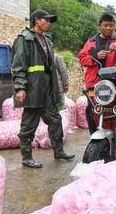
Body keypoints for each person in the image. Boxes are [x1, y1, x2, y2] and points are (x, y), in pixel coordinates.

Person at [12, 9, 75, 168]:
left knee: (55, 119)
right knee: (29, 124)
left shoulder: (47, 40)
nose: (48, 23)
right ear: (36, 20)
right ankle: (26, 158)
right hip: (33, 89)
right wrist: (20, 88)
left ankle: (58, 151)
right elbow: (18, 66)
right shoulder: (24, 39)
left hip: (47, 88)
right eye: (46, 20)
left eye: (49, 21)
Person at [78, 13, 116, 131]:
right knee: (93, 113)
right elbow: (82, 58)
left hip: (113, 83)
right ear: (100, 25)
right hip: (94, 84)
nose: (108, 28)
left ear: (114, 26)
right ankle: (96, 138)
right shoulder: (90, 42)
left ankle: (113, 136)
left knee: (114, 112)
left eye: (111, 26)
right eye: (105, 25)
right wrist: (95, 57)